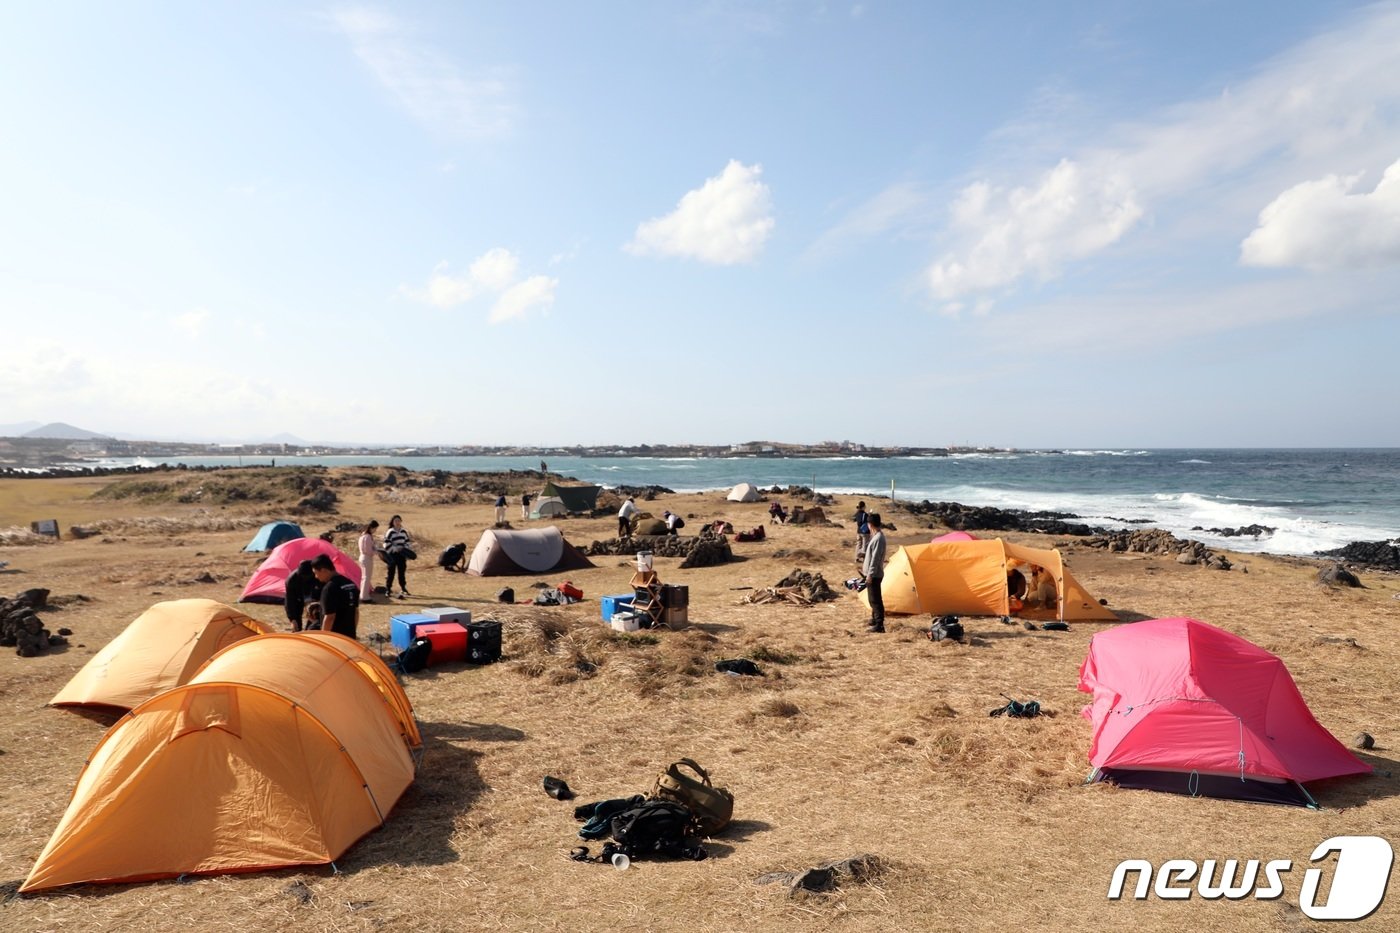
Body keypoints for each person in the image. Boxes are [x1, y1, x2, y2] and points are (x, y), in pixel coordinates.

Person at [312, 553, 359, 639]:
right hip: (350, 636)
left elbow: (330, 617)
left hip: (335, 637)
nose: (316, 577)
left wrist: (323, 639)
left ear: (323, 570)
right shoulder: (351, 584)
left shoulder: (329, 588)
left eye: (316, 573)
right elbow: (355, 612)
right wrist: (353, 631)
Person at [862, 513, 887, 633]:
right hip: (873, 573)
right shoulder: (876, 536)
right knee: (872, 598)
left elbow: (875, 559)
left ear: (870, 524)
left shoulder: (878, 539)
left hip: (875, 574)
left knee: (875, 600)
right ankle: (874, 619)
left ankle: (879, 625)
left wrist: (870, 574)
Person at [283, 559, 321, 632]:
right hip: (298, 598)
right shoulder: (291, 580)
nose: (304, 578)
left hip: (315, 598)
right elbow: (290, 601)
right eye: (302, 576)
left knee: (315, 623)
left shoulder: (318, 577)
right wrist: (292, 619)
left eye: (307, 576)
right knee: (296, 623)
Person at [383, 514, 411, 598]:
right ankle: (388, 589)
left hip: (402, 554)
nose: (397, 522)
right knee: (391, 572)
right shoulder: (390, 531)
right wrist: (395, 548)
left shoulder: (403, 531)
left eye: (399, 520)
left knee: (402, 571)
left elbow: (407, 542)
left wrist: (404, 549)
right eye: (395, 521)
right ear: (393, 522)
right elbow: (386, 543)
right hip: (392, 554)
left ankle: (403, 587)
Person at [357, 519, 379, 603]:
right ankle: (364, 596)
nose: (375, 530)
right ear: (371, 528)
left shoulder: (362, 536)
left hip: (362, 557)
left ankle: (363, 594)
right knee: (366, 577)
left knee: (364, 577)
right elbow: (369, 551)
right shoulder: (368, 537)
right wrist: (376, 552)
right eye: (375, 528)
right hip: (367, 558)